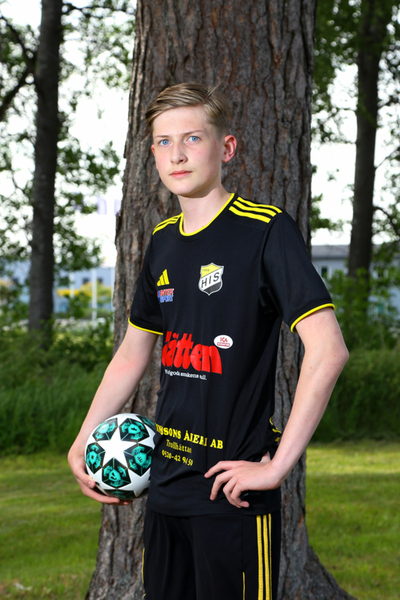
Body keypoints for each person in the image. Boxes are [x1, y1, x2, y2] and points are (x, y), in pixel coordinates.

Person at [68, 82, 349, 600]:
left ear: (227, 147)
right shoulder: (162, 242)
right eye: (163, 141)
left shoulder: (264, 231)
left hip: (232, 493)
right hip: (164, 487)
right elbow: (132, 353)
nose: (177, 154)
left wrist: (277, 467)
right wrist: (83, 438)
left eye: (192, 138)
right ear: (153, 153)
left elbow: (329, 349)